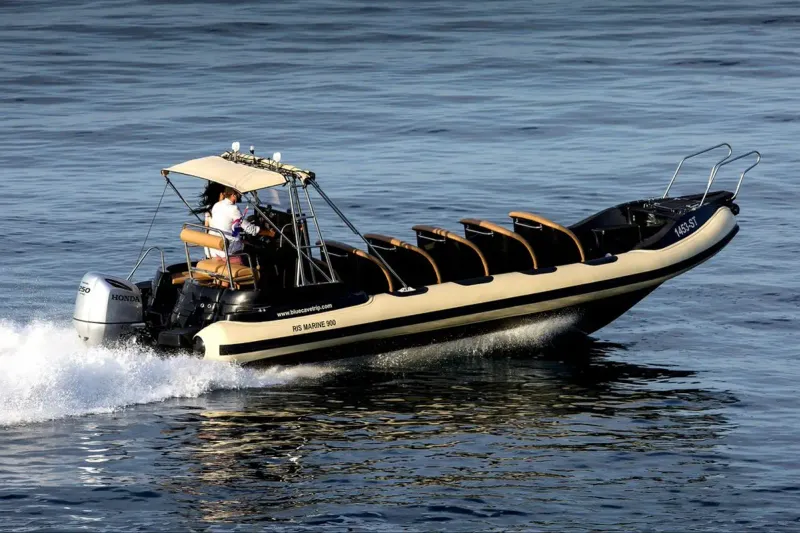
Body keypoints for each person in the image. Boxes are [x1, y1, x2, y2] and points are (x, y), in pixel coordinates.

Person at [208, 187, 273, 264]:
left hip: (215, 249)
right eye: (239, 194)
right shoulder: (233, 208)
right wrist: (269, 233)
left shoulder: (217, 205)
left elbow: (226, 225)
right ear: (233, 195)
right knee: (258, 250)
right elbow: (250, 229)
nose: (240, 196)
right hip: (228, 251)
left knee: (246, 242)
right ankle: (259, 273)